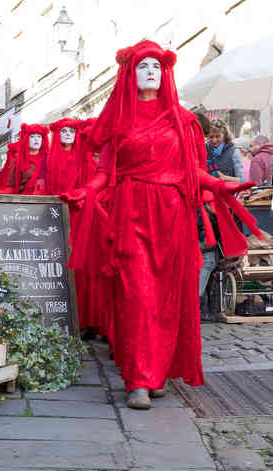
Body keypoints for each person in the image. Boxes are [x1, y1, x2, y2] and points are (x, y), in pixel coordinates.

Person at [61, 40, 260, 410]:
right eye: (142, 66)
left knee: (166, 299)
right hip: (131, 213)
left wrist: (223, 185)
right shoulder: (120, 119)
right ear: (130, 73)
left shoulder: (182, 122)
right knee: (137, 294)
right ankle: (137, 378)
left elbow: (194, 173)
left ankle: (157, 372)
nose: (150, 71)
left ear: (164, 72)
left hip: (172, 219)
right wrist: (85, 190)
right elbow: (105, 172)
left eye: (156, 65)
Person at [34, 118, 85, 195]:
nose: (68, 134)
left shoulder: (83, 157)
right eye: (64, 131)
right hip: (53, 202)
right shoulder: (46, 158)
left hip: (76, 200)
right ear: (58, 134)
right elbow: (40, 187)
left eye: (72, 131)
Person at [207, 119, 245, 183]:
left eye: (218, 136)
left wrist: (224, 178)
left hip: (228, 192)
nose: (214, 140)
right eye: (211, 137)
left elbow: (242, 180)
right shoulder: (204, 151)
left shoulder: (234, 152)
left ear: (225, 136)